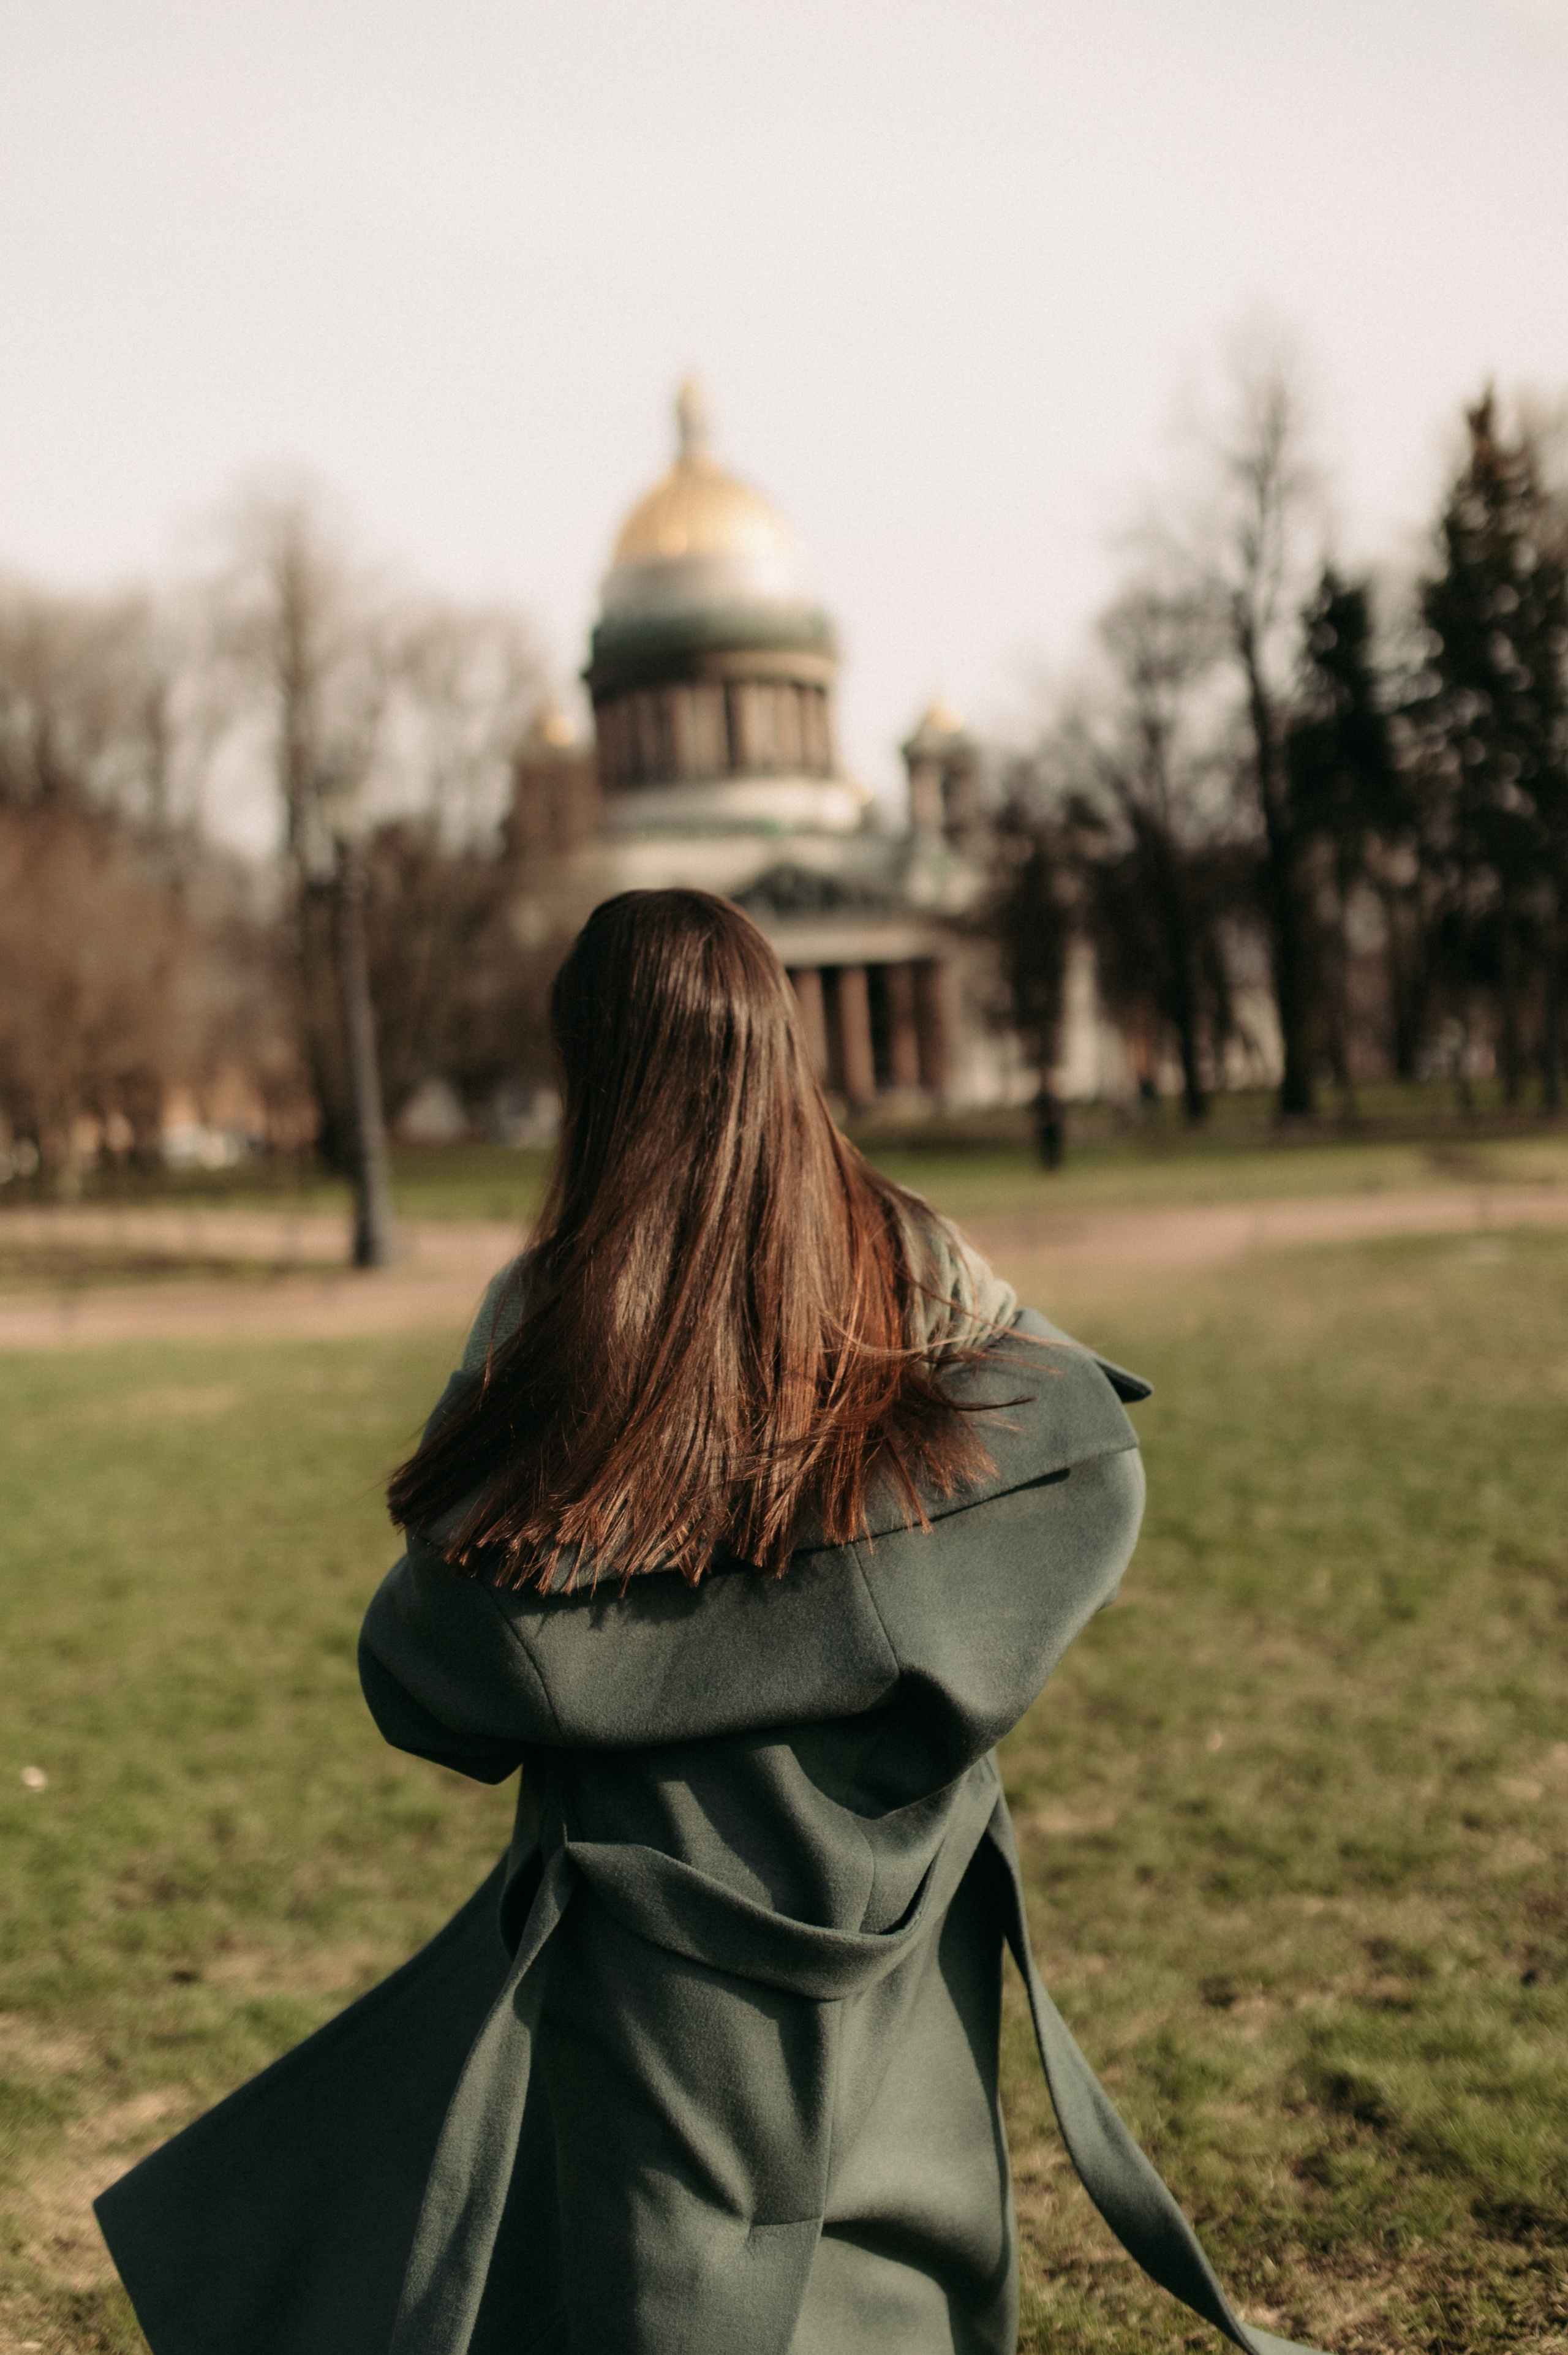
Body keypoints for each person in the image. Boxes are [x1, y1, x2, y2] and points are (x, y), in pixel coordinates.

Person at [96, 890, 1321, 2355]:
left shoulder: (555, 1318)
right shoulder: (917, 1271)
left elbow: (430, 1668)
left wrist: (627, 1665)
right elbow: (1083, 1480)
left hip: (654, 2004)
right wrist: (858, 1635)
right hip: (897, 1935)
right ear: (780, 1044)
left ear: (591, 1078)